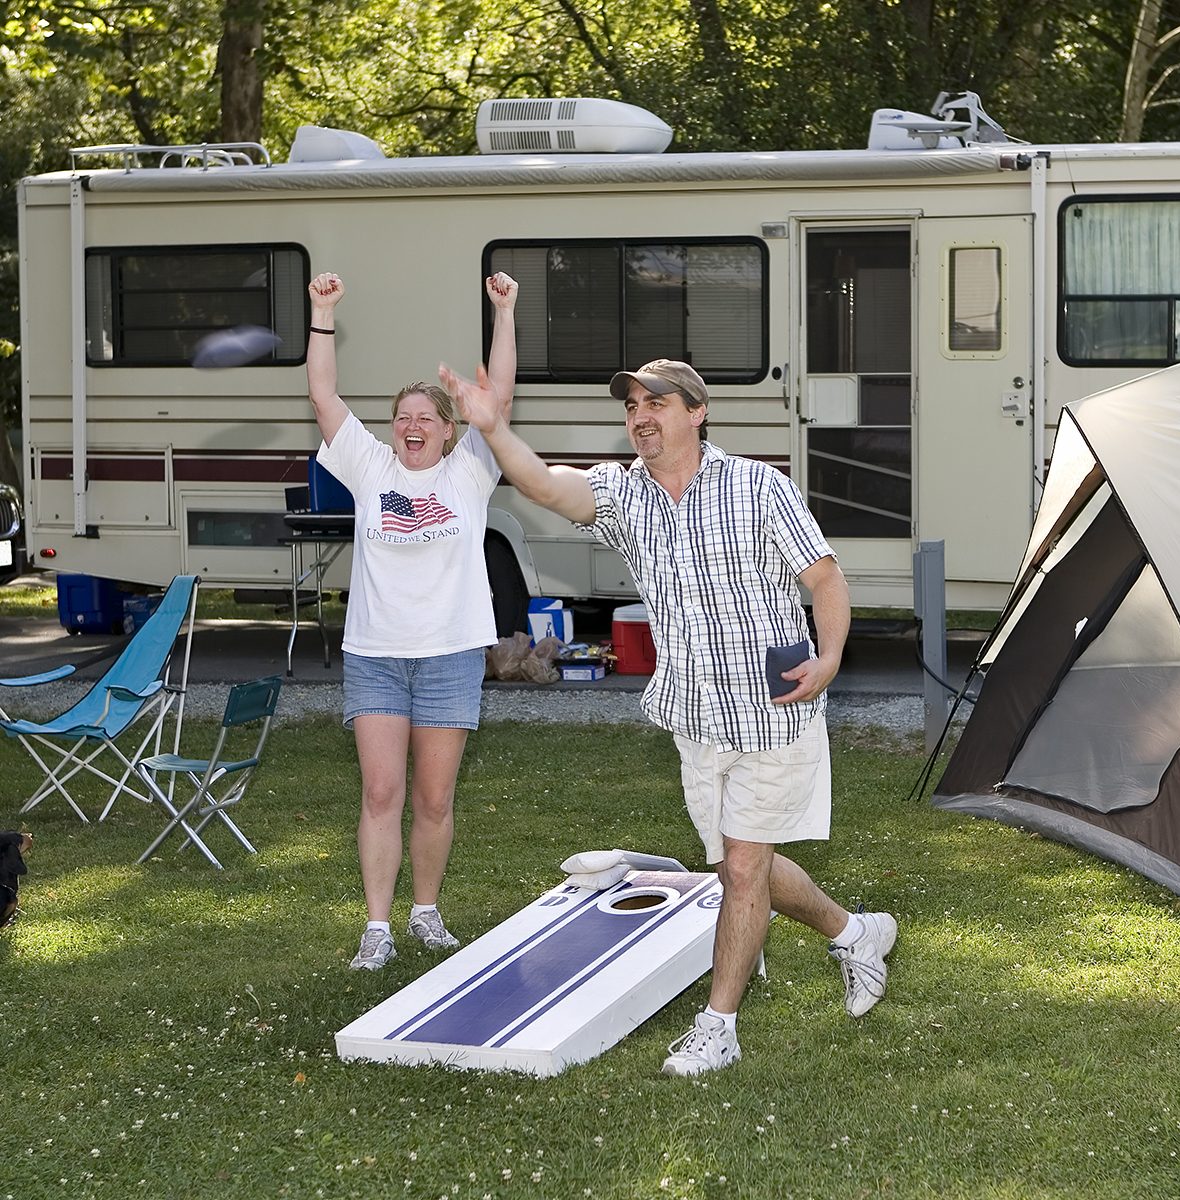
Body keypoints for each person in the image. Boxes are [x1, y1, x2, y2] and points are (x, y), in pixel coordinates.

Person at [437, 355, 897, 1075]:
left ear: (696, 412)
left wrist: (831, 656)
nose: (641, 417)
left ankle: (718, 1027)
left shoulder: (757, 487)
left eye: (656, 404)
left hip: (774, 710)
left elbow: (824, 577)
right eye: (632, 408)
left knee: (743, 870)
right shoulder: (626, 499)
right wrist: (492, 427)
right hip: (695, 716)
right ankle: (855, 932)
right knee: (744, 866)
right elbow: (543, 485)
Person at [307, 270, 517, 969]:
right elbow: (323, 395)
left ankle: (425, 912)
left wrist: (504, 312)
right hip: (376, 654)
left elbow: (502, 399)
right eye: (402, 417)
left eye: (426, 418)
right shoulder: (370, 468)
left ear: (449, 430)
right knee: (380, 791)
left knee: (432, 797)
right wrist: (322, 312)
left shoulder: (469, 472)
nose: (412, 427)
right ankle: (377, 926)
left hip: (451, 655)